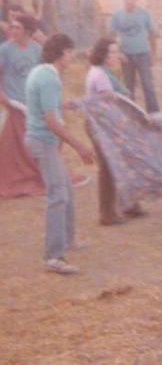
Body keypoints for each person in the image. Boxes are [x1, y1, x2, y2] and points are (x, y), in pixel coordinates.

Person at [24, 33, 95, 275]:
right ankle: (53, 256)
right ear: (62, 53)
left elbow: (44, 108)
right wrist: (79, 146)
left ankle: (67, 239)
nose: (72, 57)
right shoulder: (49, 79)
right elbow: (51, 121)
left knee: (66, 190)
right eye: (70, 52)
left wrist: (61, 107)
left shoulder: (40, 72)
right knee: (58, 195)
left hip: (40, 139)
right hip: (43, 141)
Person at [84, 38, 147, 225]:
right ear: (103, 54)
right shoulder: (100, 75)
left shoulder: (102, 71)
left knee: (120, 162)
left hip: (105, 123)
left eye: (116, 51)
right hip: (101, 125)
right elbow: (110, 103)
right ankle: (107, 213)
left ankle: (127, 204)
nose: (116, 55)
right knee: (107, 168)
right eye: (112, 52)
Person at [109, 0, 159, 113]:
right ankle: (131, 114)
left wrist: (153, 53)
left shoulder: (144, 14)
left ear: (137, 0)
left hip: (143, 54)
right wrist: (118, 54)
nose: (130, 1)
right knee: (128, 87)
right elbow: (111, 37)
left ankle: (155, 114)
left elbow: (152, 34)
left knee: (148, 85)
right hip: (126, 56)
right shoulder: (117, 16)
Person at [0, 14, 41, 106]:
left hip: (30, 102)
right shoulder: (4, 49)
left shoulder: (37, 50)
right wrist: (1, 94)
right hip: (11, 101)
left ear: (27, 31)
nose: (13, 31)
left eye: (17, 28)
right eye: (12, 27)